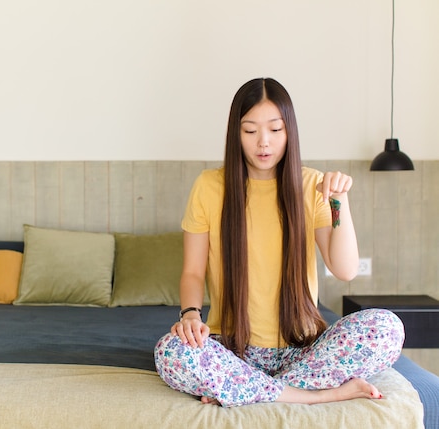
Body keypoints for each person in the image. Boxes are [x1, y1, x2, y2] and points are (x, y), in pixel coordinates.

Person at [154, 77, 404, 406]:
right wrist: (189, 316)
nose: (263, 143)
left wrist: (339, 200)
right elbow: (192, 273)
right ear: (235, 134)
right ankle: (314, 396)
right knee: (170, 352)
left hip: (303, 349)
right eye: (250, 130)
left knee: (386, 327)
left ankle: (245, 389)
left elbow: (344, 270)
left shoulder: (312, 185)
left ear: (289, 132)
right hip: (232, 347)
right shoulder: (209, 186)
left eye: (275, 129)